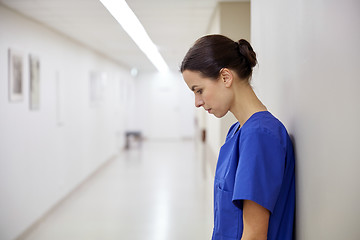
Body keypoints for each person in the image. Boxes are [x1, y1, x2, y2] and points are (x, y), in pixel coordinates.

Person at [180, 35, 295, 240]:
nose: (197, 102)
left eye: (199, 90)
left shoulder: (260, 136)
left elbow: (254, 234)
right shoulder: (237, 131)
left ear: (225, 77)